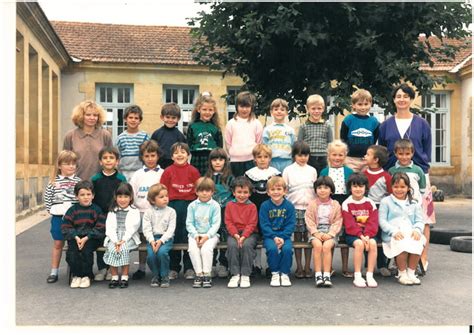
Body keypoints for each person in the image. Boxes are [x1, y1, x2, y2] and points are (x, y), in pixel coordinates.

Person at [378, 83, 434, 272]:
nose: (401, 99)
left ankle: (422, 258)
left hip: (418, 174)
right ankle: (397, 256)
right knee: (397, 215)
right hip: (394, 176)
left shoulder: (422, 123)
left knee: (423, 218)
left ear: (411, 99)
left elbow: (426, 151)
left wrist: (425, 173)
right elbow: (383, 150)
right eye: (398, 96)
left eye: (405, 96)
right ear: (393, 100)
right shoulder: (386, 124)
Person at [160, 142, 201, 280]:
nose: (180, 155)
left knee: (189, 235)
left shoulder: (193, 171)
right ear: (172, 156)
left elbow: (199, 190)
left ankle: (189, 267)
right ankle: (174, 267)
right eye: (176, 153)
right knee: (173, 234)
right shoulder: (168, 171)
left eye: (183, 152)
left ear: (188, 155)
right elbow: (162, 190)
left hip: (190, 205)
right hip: (172, 206)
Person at [378, 172, 426, 285]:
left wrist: (417, 230)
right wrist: (393, 231)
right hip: (393, 233)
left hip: (410, 231)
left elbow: (419, 220)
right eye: (396, 186)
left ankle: (411, 272)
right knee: (402, 244)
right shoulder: (386, 202)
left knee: (418, 242)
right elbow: (382, 221)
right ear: (391, 187)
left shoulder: (414, 203)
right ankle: (402, 273)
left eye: (403, 187)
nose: (399, 189)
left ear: (408, 188)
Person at [44, 150, 81, 284]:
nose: (71, 166)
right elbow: (48, 200)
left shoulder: (78, 181)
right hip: (58, 217)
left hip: (75, 218)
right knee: (58, 243)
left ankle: (76, 270)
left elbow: (81, 198)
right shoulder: (53, 182)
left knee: (74, 244)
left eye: (73, 164)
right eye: (67, 164)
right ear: (59, 165)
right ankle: (54, 271)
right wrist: (53, 211)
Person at [129, 140, 164, 280]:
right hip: (142, 212)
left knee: (158, 239)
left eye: (153, 155)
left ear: (158, 156)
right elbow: (132, 193)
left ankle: (160, 268)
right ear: (142, 157)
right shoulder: (137, 174)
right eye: (147, 156)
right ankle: (141, 268)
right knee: (143, 240)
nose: (150, 159)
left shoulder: (163, 173)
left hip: (158, 212)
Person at [91, 146, 127, 281]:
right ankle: (102, 268)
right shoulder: (95, 179)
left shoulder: (121, 178)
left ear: (117, 161)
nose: (108, 161)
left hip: (116, 214)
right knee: (101, 241)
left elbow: (124, 196)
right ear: (100, 162)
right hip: (99, 216)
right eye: (105, 158)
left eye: (111, 158)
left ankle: (113, 269)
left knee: (114, 240)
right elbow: (92, 197)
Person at [282, 141, 317, 279]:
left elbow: (315, 190)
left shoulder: (312, 170)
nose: (303, 158)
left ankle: (308, 266)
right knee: (297, 238)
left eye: (306, 155)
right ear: (294, 155)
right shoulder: (288, 170)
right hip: (294, 208)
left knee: (308, 238)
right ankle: (299, 267)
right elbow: (284, 190)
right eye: (300, 155)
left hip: (309, 208)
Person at [61, 180, 106, 289]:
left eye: (88, 194)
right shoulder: (72, 210)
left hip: (91, 238)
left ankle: (86, 275)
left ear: (93, 195)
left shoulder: (96, 210)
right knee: (72, 253)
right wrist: (75, 237)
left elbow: (100, 227)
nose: (85, 197)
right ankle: (77, 275)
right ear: (76, 196)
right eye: (82, 195)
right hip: (75, 237)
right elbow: (66, 226)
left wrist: (87, 237)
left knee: (86, 252)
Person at [244, 143, 280, 277]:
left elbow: (279, 191)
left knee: (270, 237)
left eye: (266, 157)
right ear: (254, 158)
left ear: (270, 158)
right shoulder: (249, 174)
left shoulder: (275, 173)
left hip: (271, 210)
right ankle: (256, 265)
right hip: (254, 210)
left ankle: (271, 265)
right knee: (255, 236)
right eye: (259, 157)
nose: (262, 159)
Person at [320, 139, 354, 277]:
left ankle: (345, 267)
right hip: (330, 204)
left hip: (345, 203)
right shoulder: (324, 171)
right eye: (334, 155)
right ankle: (329, 267)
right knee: (331, 235)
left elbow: (352, 190)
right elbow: (321, 189)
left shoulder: (349, 171)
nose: (337, 158)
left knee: (344, 237)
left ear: (345, 156)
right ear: (328, 156)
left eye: (340, 155)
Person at [342, 173, 379, 288]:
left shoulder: (370, 203)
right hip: (352, 234)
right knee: (359, 244)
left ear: (366, 188)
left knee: (373, 243)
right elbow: (349, 224)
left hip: (368, 234)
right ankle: (357, 275)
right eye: (355, 186)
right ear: (350, 188)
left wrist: (367, 235)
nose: (358, 189)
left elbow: (373, 222)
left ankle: (369, 274)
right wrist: (361, 236)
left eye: (361, 186)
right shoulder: (346, 204)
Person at [305, 176, 343, 288]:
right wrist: (315, 232)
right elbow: (309, 219)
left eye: (326, 187)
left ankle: (326, 275)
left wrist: (331, 234)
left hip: (330, 231)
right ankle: (318, 275)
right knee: (317, 245)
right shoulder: (312, 204)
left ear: (331, 190)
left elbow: (338, 221)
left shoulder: (335, 204)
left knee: (327, 246)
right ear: (316, 190)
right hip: (316, 231)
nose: (322, 190)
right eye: (319, 187)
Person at [259, 176, 296, 287]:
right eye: (273, 189)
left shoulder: (289, 206)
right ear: (268, 192)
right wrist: (274, 237)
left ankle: (284, 273)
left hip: (284, 236)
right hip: (270, 236)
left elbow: (290, 224)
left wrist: (283, 237)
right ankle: (275, 273)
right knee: (271, 249)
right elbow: (264, 224)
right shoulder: (265, 206)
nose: (276, 192)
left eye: (279, 189)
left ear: (285, 191)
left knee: (287, 249)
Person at [103, 182, 141, 289]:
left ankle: (124, 276)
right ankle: (114, 276)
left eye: (126, 196)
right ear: (115, 197)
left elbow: (133, 228)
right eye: (120, 196)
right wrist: (115, 241)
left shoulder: (134, 211)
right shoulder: (112, 211)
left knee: (123, 249)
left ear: (131, 197)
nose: (123, 199)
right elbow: (109, 228)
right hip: (114, 237)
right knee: (112, 249)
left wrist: (123, 240)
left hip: (129, 237)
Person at [63, 100, 113, 180]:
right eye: (88, 115)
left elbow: (111, 160)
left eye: (95, 115)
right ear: (81, 116)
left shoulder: (105, 135)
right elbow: (64, 162)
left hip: (100, 182)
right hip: (76, 182)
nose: (92, 118)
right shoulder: (70, 136)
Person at [186, 177, 221, 288]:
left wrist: (206, 237)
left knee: (206, 249)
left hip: (210, 235)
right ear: (196, 191)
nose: (204, 193)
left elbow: (216, 224)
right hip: (195, 235)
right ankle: (199, 274)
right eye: (201, 190)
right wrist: (196, 236)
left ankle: (207, 274)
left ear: (212, 191)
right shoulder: (192, 206)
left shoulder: (215, 205)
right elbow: (189, 223)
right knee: (193, 249)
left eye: (208, 190)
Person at [363, 144, 392, 277]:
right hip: (365, 209)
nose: (365, 156)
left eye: (368, 154)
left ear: (376, 160)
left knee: (380, 237)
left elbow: (391, 194)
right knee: (367, 236)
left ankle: (382, 264)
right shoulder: (363, 175)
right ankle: (366, 264)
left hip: (381, 209)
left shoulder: (386, 176)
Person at [205, 148, 234, 278]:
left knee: (224, 237)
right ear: (210, 161)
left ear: (225, 161)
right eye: (214, 159)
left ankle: (223, 264)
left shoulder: (229, 178)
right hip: (209, 212)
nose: (217, 162)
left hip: (225, 212)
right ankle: (210, 264)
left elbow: (234, 195)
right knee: (210, 237)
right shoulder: (207, 178)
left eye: (221, 159)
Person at [225, 177, 259, 288]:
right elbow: (229, 222)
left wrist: (244, 236)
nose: (242, 195)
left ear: (249, 194)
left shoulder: (252, 206)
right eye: (239, 192)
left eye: (245, 192)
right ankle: (235, 274)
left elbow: (252, 224)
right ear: (234, 193)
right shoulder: (230, 205)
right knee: (232, 245)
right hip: (234, 233)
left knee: (247, 245)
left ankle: (245, 274)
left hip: (249, 233)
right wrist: (235, 235)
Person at [142, 183, 176, 288]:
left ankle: (164, 275)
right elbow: (146, 229)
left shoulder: (171, 212)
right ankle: (156, 275)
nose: (165, 199)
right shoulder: (148, 212)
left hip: (166, 239)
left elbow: (171, 229)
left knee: (162, 253)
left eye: (166, 196)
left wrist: (161, 241)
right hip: (152, 238)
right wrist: (152, 241)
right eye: (161, 197)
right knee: (151, 256)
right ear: (153, 200)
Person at [225, 91, 263, 177]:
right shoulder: (231, 123)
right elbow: (228, 143)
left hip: (251, 161)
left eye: (247, 106)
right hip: (235, 162)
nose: (244, 109)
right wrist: (233, 153)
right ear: (237, 107)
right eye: (242, 106)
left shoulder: (257, 123)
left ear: (252, 107)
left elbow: (259, 142)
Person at [340, 89, 379, 172]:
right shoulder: (348, 120)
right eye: (360, 104)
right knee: (351, 181)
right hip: (350, 159)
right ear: (353, 105)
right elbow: (343, 139)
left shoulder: (374, 122)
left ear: (370, 104)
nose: (363, 107)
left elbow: (375, 140)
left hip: (367, 159)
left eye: (366, 104)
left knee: (366, 182)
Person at [187, 93, 223, 176]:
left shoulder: (216, 128)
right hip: (196, 158)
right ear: (198, 109)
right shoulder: (192, 126)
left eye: (210, 110)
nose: (207, 112)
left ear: (214, 111)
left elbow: (219, 146)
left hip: (211, 158)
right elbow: (189, 143)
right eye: (204, 109)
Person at [297, 94, 333, 175]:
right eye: (313, 108)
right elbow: (299, 145)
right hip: (308, 158)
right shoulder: (303, 126)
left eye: (319, 108)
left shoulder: (327, 125)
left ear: (323, 109)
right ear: (308, 109)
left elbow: (330, 143)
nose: (316, 111)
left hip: (323, 158)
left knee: (322, 179)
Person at [116, 105, 150, 181]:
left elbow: (148, 155)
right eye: (130, 117)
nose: (133, 120)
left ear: (140, 121)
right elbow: (116, 157)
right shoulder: (120, 138)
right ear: (125, 119)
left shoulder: (144, 136)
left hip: (141, 172)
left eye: (136, 118)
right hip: (124, 173)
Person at [262, 98, 296, 172]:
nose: (279, 112)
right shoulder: (267, 129)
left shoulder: (290, 130)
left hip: (287, 161)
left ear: (287, 112)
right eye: (276, 109)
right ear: (271, 112)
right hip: (272, 161)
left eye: (282, 110)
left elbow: (294, 146)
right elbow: (264, 146)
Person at [388, 139, 426, 205]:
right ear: (395, 153)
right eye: (400, 154)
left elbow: (422, 189)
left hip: (414, 205)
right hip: (396, 204)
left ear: (412, 153)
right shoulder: (391, 171)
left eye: (407, 154)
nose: (404, 157)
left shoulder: (418, 170)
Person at [151, 102, 186, 169]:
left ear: (178, 119)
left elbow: (184, 153)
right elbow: (152, 150)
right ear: (162, 117)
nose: (170, 120)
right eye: (167, 117)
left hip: (175, 165)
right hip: (159, 165)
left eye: (173, 118)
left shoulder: (180, 136)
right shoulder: (156, 134)